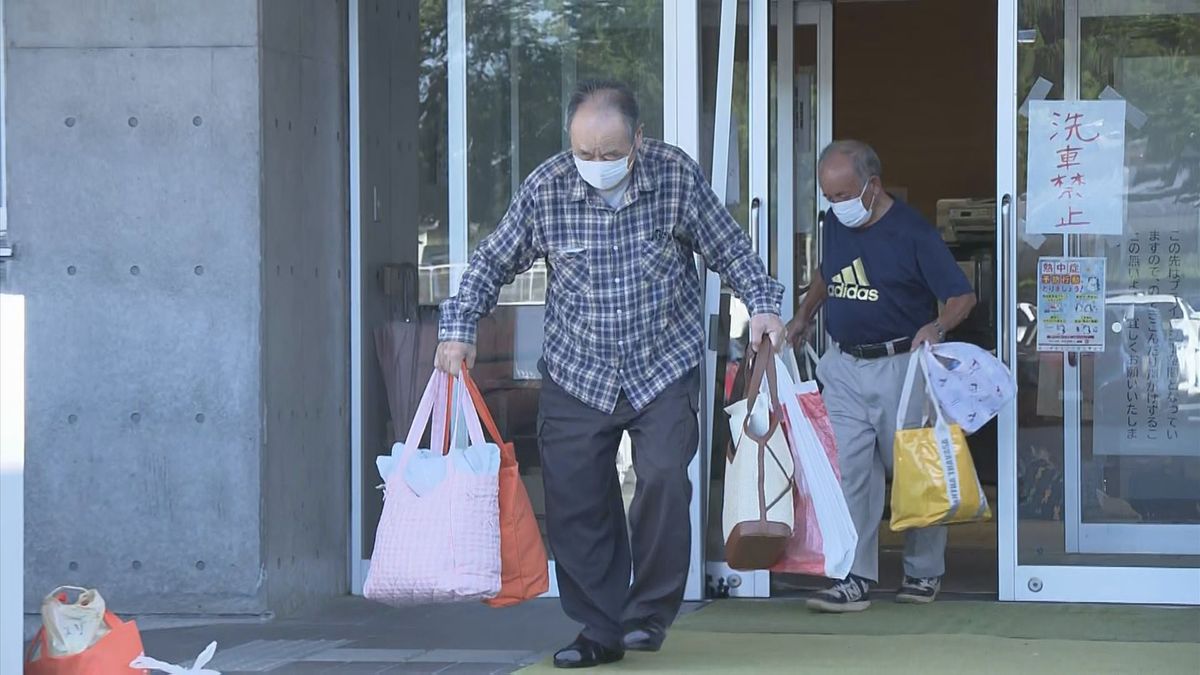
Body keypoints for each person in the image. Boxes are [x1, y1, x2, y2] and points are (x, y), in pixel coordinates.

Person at [435, 80, 785, 668]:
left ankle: (647, 615)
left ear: (638, 140)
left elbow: (730, 247)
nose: (596, 166)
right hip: (578, 372)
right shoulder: (546, 188)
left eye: (610, 154)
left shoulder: (673, 176)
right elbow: (492, 258)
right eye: (585, 154)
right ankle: (597, 630)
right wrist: (459, 327)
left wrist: (764, 304)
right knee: (577, 503)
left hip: (661, 367)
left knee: (665, 480)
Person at [786, 140, 976, 613]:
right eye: (828, 197)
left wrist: (937, 326)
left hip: (902, 367)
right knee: (851, 472)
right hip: (845, 365)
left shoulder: (913, 232)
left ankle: (923, 573)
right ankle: (853, 576)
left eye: (844, 195)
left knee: (916, 470)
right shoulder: (834, 223)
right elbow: (826, 277)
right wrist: (802, 317)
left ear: (872, 186)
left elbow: (961, 296)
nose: (836, 205)